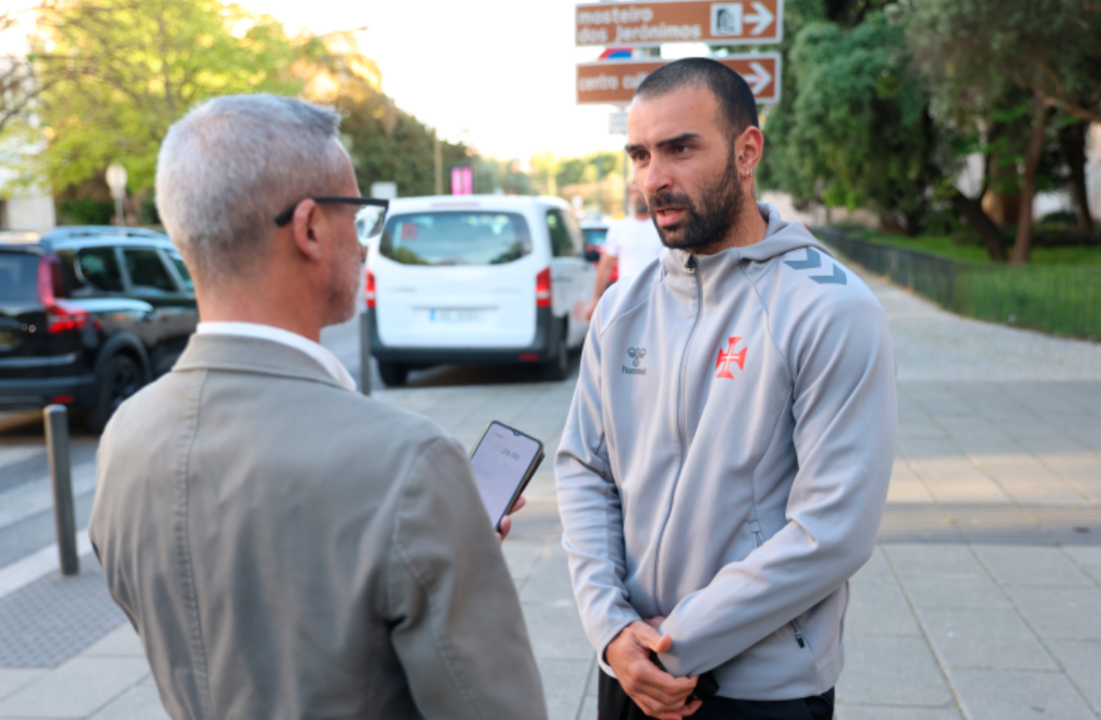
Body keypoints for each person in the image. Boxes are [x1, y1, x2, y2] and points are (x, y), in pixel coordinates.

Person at [88, 95, 546, 720]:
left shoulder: (126, 435)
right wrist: (446, 543)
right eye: (358, 217)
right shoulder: (410, 464)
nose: (363, 243)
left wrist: (439, 546)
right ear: (308, 229)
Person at [556, 58, 897, 720]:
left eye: (680, 148)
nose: (653, 178)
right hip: (628, 670)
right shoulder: (622, 308)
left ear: (746, 152)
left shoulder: (831, 309)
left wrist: (673, 644)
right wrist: (611, 629)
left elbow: (833, 529)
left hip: (760, 691)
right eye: (640, 155)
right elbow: (584, 470)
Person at [585, 183, 664, 320]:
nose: (637, 196)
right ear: (628, 197)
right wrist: (595, 299)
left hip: (660, 301)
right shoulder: (619, 227)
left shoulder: (663, 226)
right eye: (633, 192)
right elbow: (605, 266)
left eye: (640, 191)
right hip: (627, 301)